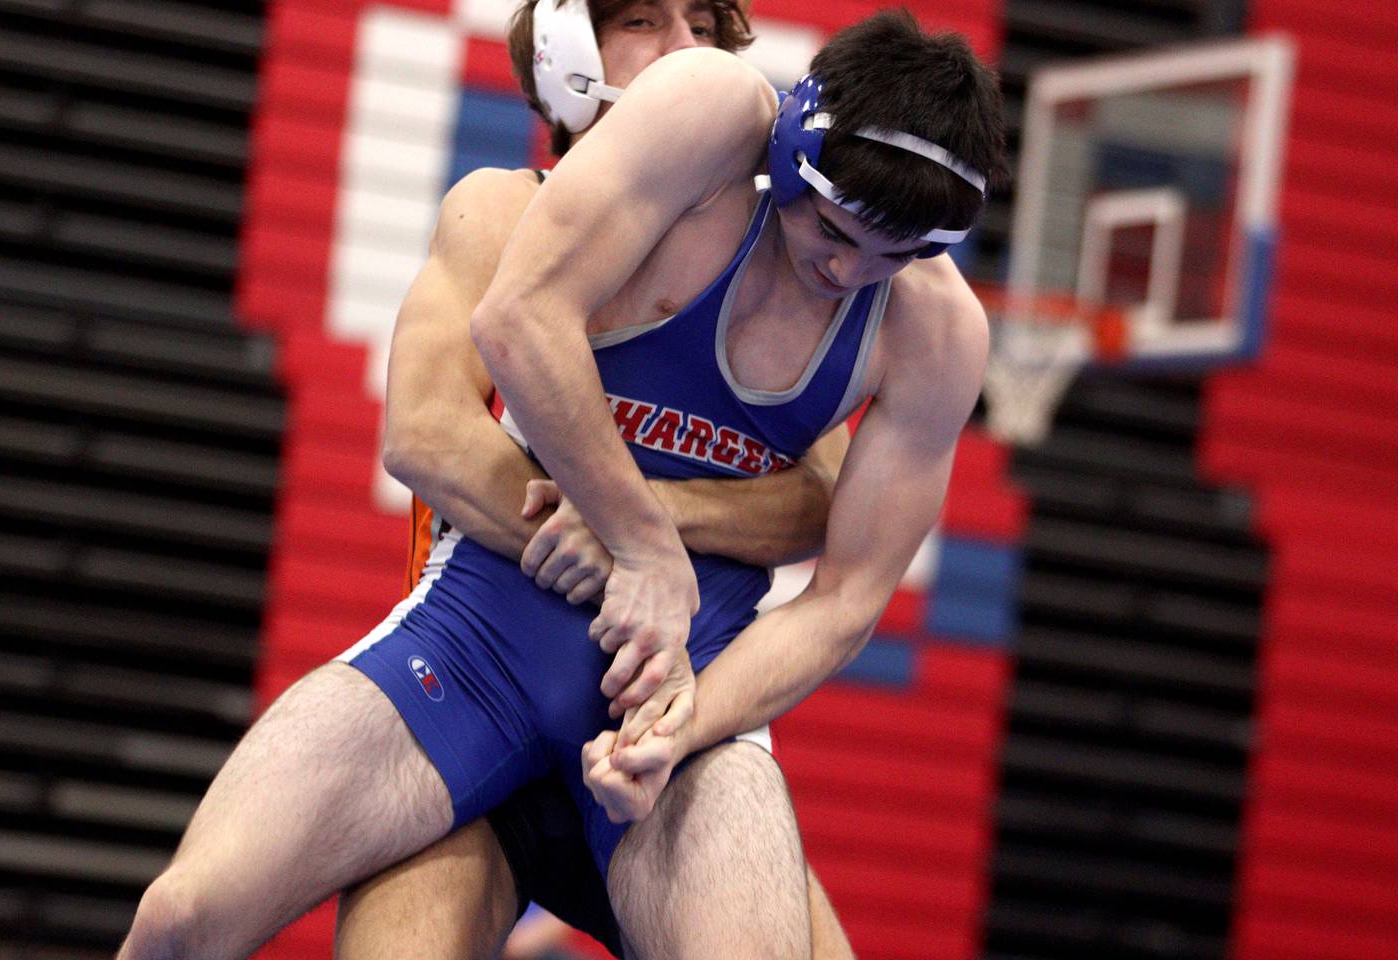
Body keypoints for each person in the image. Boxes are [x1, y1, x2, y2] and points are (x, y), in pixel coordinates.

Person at [117, 9, 1004, 959]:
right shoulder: (638, 149)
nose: (849, 270)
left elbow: (845, 591)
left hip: (667, 692)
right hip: (480, 654)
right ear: (789, 149)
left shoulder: (927, 327)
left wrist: (682, 705)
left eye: (896, 254)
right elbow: (465, 382)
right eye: (835, 231)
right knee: (180, 920)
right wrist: (642, 549)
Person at [343, 1, 854, 957]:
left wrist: (644, 525)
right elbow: (427, 432)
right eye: (645, 21)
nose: (687, 51)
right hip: (480, 698)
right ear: (567, 57)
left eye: (705, 25)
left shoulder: (757, 269)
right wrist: (629, 556)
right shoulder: (504, 210)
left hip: (650, 740)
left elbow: (822, 500)